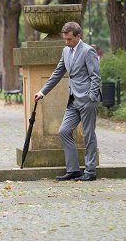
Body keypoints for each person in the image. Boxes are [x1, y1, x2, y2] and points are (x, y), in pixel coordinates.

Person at [34, 21, 101, 181]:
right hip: (73, 100)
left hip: (87, 100)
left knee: (88, 134)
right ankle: (73, 170)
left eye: (69, 39)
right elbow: (57, 73)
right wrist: (42, 91)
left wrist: (91, 97)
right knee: (64, 131)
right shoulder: (65, 51)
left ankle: (90, 172)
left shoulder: (88, 51)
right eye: (65, 39)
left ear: (78, 36)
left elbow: (95, 76)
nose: (67, 42)